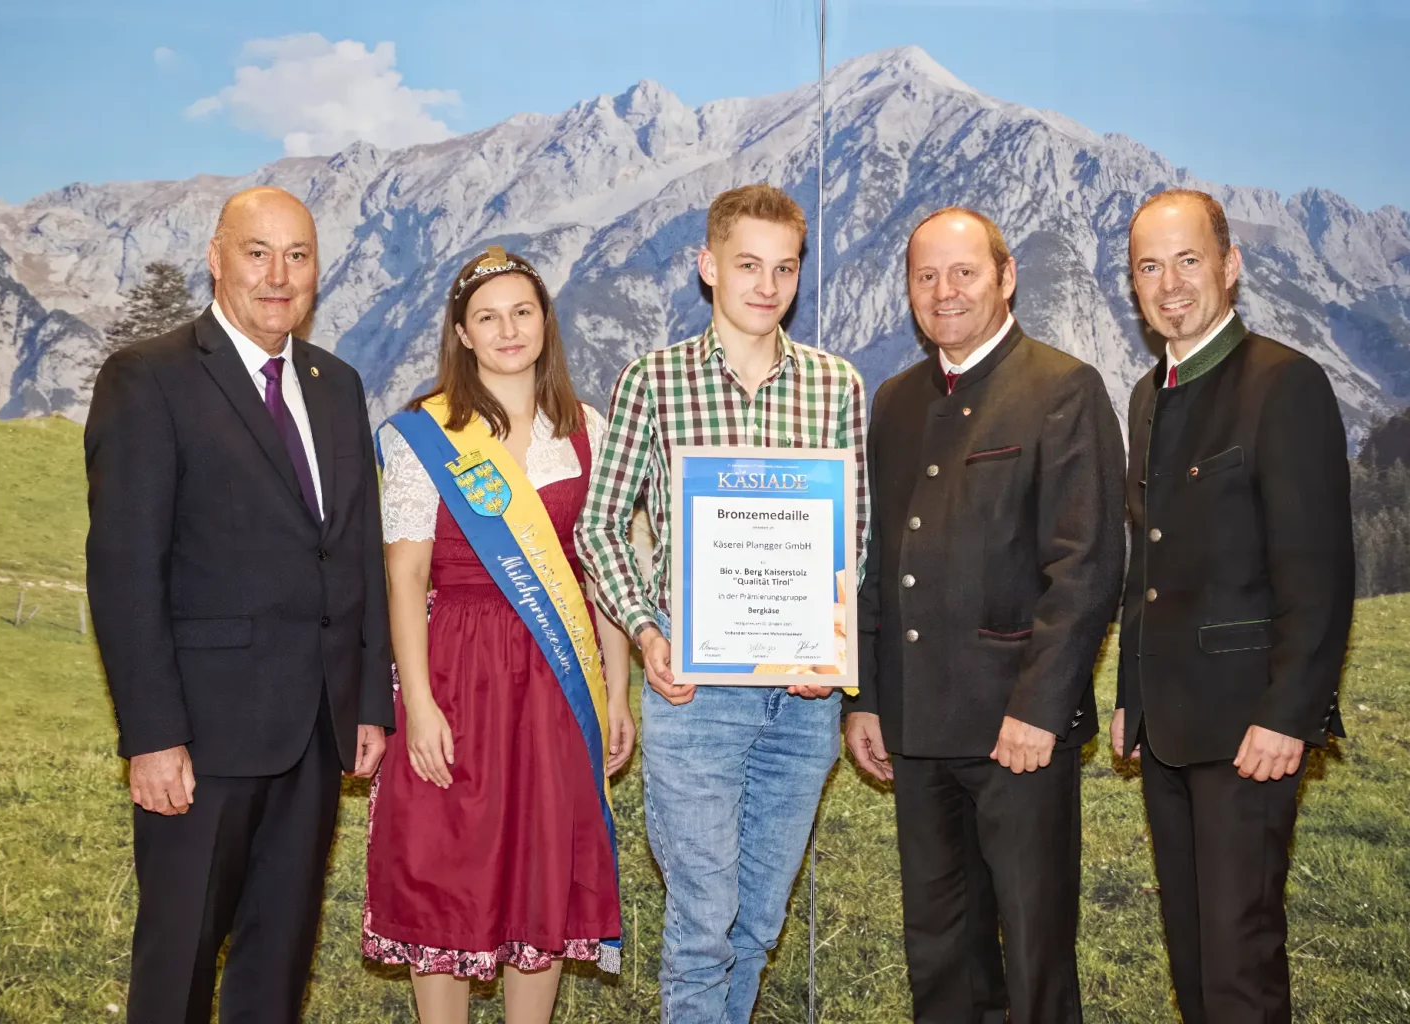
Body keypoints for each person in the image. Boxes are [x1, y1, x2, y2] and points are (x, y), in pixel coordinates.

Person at [84, 186, 393, 1023]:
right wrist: (152, 735)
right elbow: (123, 570)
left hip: (316, 734)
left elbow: (356, 549)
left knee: (277, 964)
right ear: (217, 258)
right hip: (203, 739)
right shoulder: (149, 378)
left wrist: (368, 700)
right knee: (178, 962)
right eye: (258, 252)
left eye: (298, 256)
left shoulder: (337, 384)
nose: (278, 275)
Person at [575, 183, 868, 1023]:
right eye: (747, 265)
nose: (766, 285)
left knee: (758, 924)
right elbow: (599, 528)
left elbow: (858, 536)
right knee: (704, 923)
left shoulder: (835, 386)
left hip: (802, 701)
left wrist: (833, 642)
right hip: (692, 693)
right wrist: (644, 627)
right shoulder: (653, 382)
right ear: (709, 267)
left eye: (784, 268)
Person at [844, 207, 1125, 1024]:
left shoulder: (1064, 388)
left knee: (1036, 955)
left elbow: (1088, 566)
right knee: (938, 953)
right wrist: (865, 697)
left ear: (1006, 278)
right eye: (926, 276)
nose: (945, 291)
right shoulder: (894, 402)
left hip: (1019, 734)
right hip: (918, 730)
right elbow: (877, 563)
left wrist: (1039, 709)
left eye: (964, 272)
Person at [362, 246, 633, 1024]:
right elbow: (406, 578)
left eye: (523, 312)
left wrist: (616, 693)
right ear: (462, 332)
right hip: (455, 670)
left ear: (545, 323)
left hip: (556, 679)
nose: (508, 329)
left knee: (541, 860)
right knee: (445, 860)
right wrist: (416, 702)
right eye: (488, 317)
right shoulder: (425, 433)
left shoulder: (588, 431)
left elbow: (599, 572)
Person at [1112, 189, 1353, 1023]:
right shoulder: (1148, 396)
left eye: (1188, 260)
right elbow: (1149, 559)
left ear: (1230, 265)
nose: (1170, 283)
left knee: (1240, 965)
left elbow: (1318, 574)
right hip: (1168, 730)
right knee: (1193, 956)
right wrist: (1129, 699)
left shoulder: (1284, 383)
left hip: (1252, 730)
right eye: (1150, 266)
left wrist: (1290, 716)